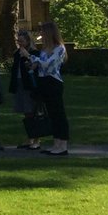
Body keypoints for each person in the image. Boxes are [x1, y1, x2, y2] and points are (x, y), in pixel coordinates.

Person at [34, 20, 69, 155]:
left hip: (54, 82)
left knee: (59, 113)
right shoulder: (44, 49)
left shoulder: (59, 48)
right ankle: (56, 143)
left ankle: (63, 144)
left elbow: (48, 64)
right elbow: (41, 65)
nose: (41, 34)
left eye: (43, 31)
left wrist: (34, 59)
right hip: (44, 82)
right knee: (52, 114)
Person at [9, 29, 41, 149]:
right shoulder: (17, 53)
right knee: (26, 113)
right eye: (18, 41)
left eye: (22, 41)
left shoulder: (34, 53)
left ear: (28, 41)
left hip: (30, 85)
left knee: (33, 112)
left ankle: (37, 139)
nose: (20, 43)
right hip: (19, 83)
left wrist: (27, 57)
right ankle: (30, 138)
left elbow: (35, 68)